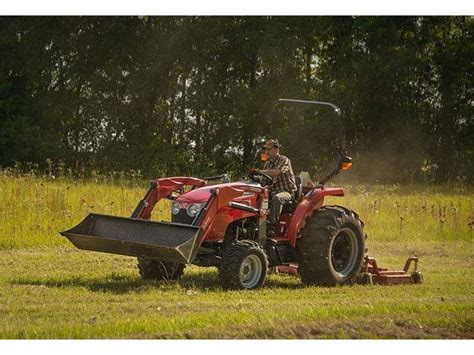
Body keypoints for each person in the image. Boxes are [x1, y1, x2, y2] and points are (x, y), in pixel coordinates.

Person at [257, 138, 297, 236]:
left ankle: (272, 226)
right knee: (258, 196)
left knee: (277, 198)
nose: (267, 152)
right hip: (273, 191)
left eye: (269, 149)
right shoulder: (267, 164)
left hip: (287, 192)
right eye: (266, 149)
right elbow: (264, 181)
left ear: (276, 149)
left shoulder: (284, 160)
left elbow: (277, 172)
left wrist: (260, 171)